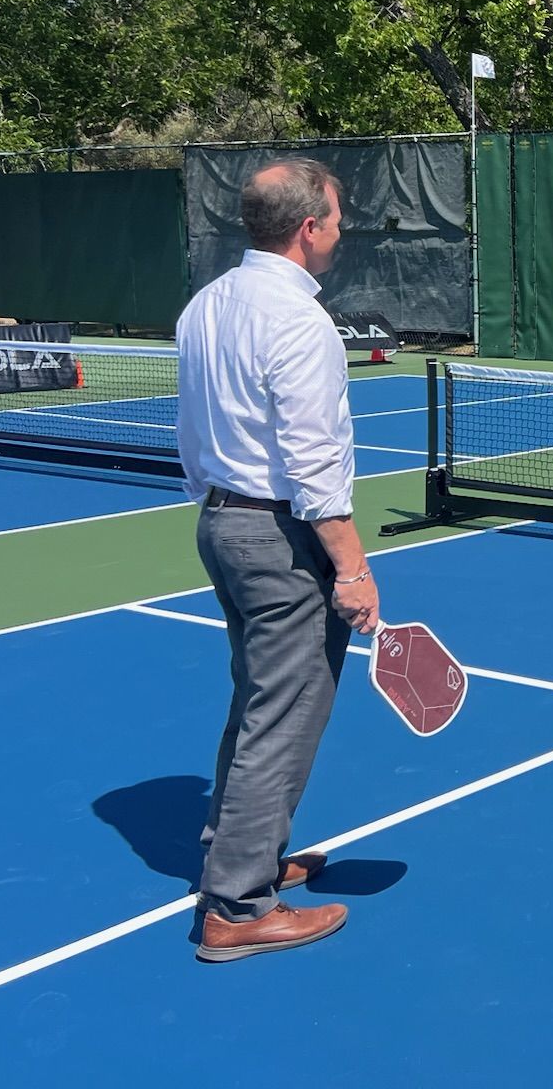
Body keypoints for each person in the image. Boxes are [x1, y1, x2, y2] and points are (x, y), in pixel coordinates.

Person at [177, 157, 380, 963]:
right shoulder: (300, 322)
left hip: (221, 526)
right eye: (336, 219)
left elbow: (193, 434)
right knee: (286, 711)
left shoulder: (205, 305)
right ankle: (235, 905)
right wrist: (354, 570)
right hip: (278, 538)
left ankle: (242, 853)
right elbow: (314, 465)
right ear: (309, 228)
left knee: (256, 697)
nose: (341, 231)